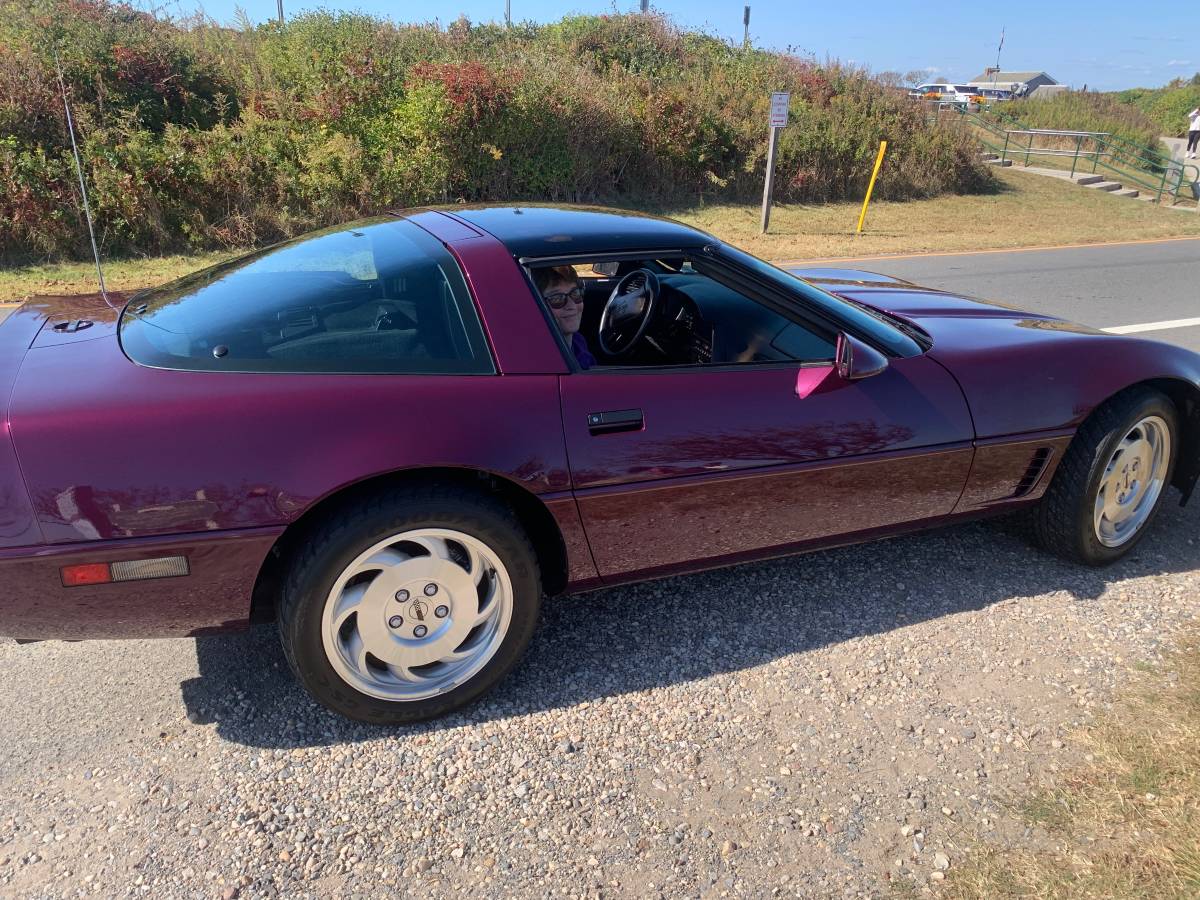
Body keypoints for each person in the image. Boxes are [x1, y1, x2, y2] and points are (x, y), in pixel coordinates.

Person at [534, 265, 596, 369]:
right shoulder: (543, 362)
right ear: (536, 304)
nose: (571, 305)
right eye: (557, 298)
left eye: (575, 293)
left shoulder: (577, 341)